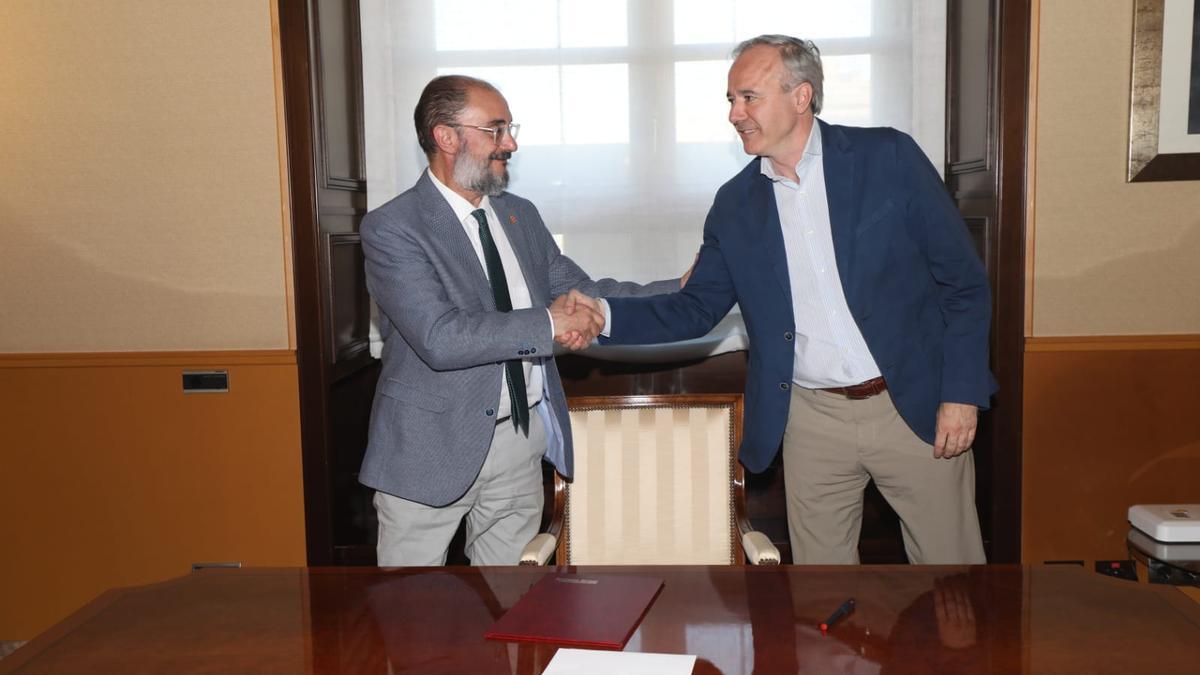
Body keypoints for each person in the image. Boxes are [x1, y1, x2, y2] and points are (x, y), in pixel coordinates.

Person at [575, 35, 996, 564]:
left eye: (749, 97)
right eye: (731, 100)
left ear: (801, 97)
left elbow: (963, 284)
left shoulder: (887, 157)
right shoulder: (734, 204)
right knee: (819, 597)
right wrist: (602, 314)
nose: (735, 114)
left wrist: (961, 394)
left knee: (953, 584)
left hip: (912, 406)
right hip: (810, 420)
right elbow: (694, 307)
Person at [359, 75, 682, 566]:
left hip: (519, 439)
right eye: (496, 129)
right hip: (429, 450)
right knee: (414, 617)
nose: (510, 143)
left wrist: (684, 290)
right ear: (446, 137)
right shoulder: (392, 227)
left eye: (510, 129)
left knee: (512, 606)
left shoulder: (519, 215)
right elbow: (441, 337)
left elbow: (583, 293)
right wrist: (551, 325)